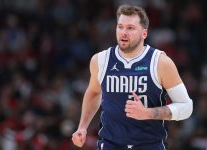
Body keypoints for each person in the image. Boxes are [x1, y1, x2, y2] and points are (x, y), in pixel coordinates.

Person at [72, 4, 193, 150]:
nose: (123, 32)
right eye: (120, 26)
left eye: (130, 28)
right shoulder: (100, 60)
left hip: (149, 145)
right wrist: (82, 127)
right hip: (111, 144)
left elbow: (186, 107)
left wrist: (149, 113)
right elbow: (94, 92)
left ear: (144, 33)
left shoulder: (160, 62)